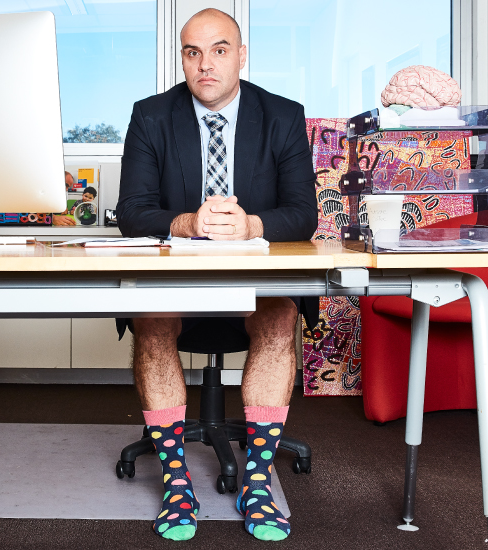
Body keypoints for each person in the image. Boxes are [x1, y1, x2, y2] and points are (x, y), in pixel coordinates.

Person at [115, 8, 316, 542]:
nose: (206, 64)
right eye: (192, 52)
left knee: (279, 319)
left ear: (241, 55)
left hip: (256, 285)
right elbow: (131, 211)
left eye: (220, 50)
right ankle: (176, 482)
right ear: (182, 58)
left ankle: (256, 482)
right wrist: (184, 222)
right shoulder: (151, 116)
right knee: (153, 319)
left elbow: (304, 213)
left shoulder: (283, 115)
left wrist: (251, 224)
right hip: (175, 284)